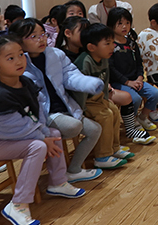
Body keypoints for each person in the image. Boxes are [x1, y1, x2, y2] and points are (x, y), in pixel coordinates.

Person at [0, 37, 85, 225]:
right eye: (10, 58)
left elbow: (37, 114)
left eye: (21, 54)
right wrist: (41, 138)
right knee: (38, 146)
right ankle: (18, 204)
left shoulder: (26, 82)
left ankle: (58, 182)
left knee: (53, 134)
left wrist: (44, 133)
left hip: (8, 139)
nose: (19, 61)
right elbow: (13, 128)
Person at [11, 18, 106, 182]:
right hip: (44, 114)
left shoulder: (55, 54)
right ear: (19, 41)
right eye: (33, 36)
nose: (41, 39)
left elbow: (71, 75)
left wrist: (90, 83)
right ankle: (58, 174)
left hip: (66, 107)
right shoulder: (19, 63)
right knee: (73, 126)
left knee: (95, 129)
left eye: (43, 34)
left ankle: (74, 170)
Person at [74, 23, 133, 169]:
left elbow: (105, 81)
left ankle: (114, 148)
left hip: (99, 98)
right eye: (107, 43)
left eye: (112, 42)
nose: (113, 46)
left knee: (113, 110)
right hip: (85, 102)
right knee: (105, 115)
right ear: (91, 47)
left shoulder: (104, 57)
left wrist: (106, 99)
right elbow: (78, 90)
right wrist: (80, 110)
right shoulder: (85, 62)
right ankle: (102, 156)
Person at [107, 7, 158, 141]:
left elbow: (139, 64)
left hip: (135, 80)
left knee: (155, 94)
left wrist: (140, 77)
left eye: (127, 23)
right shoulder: (110, 45)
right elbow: (111, 69)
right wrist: (127, 82)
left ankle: (142, 117)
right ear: (111, 25)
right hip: (119, 82)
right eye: (120, 23)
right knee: (135, 99)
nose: (124, 26)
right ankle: (131, 122)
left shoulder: (132, 44)